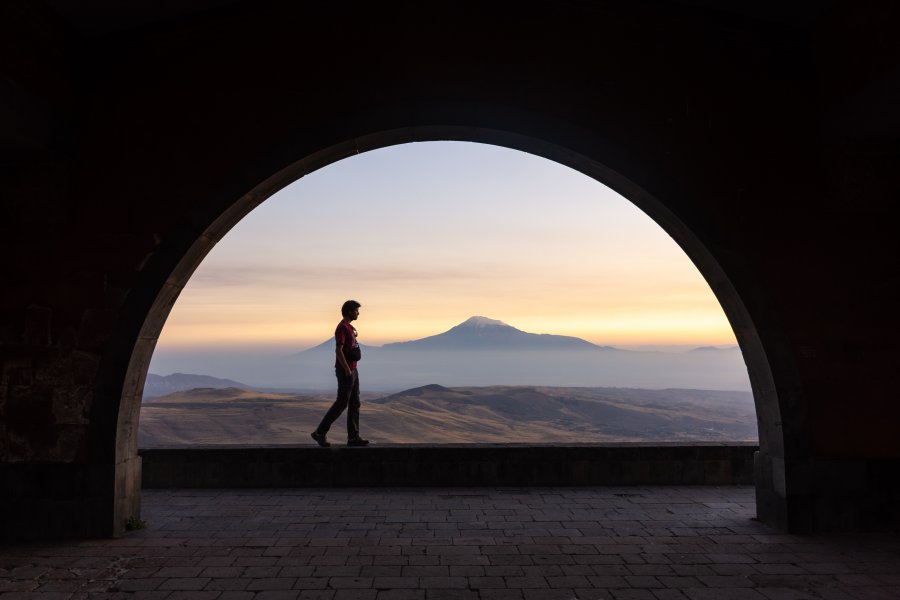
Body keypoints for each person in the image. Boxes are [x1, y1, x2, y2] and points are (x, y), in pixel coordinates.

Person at [311, 300, 370, 447]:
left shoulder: (350, 327)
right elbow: (338, 350)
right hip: (347, 371)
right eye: (356, 310)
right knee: (342, 403)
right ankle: (320, 432)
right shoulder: (342, 328)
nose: (358, 313)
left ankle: (353, 437)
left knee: (355, 403)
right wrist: (347, 369)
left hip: (353, 370)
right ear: (350, 311)